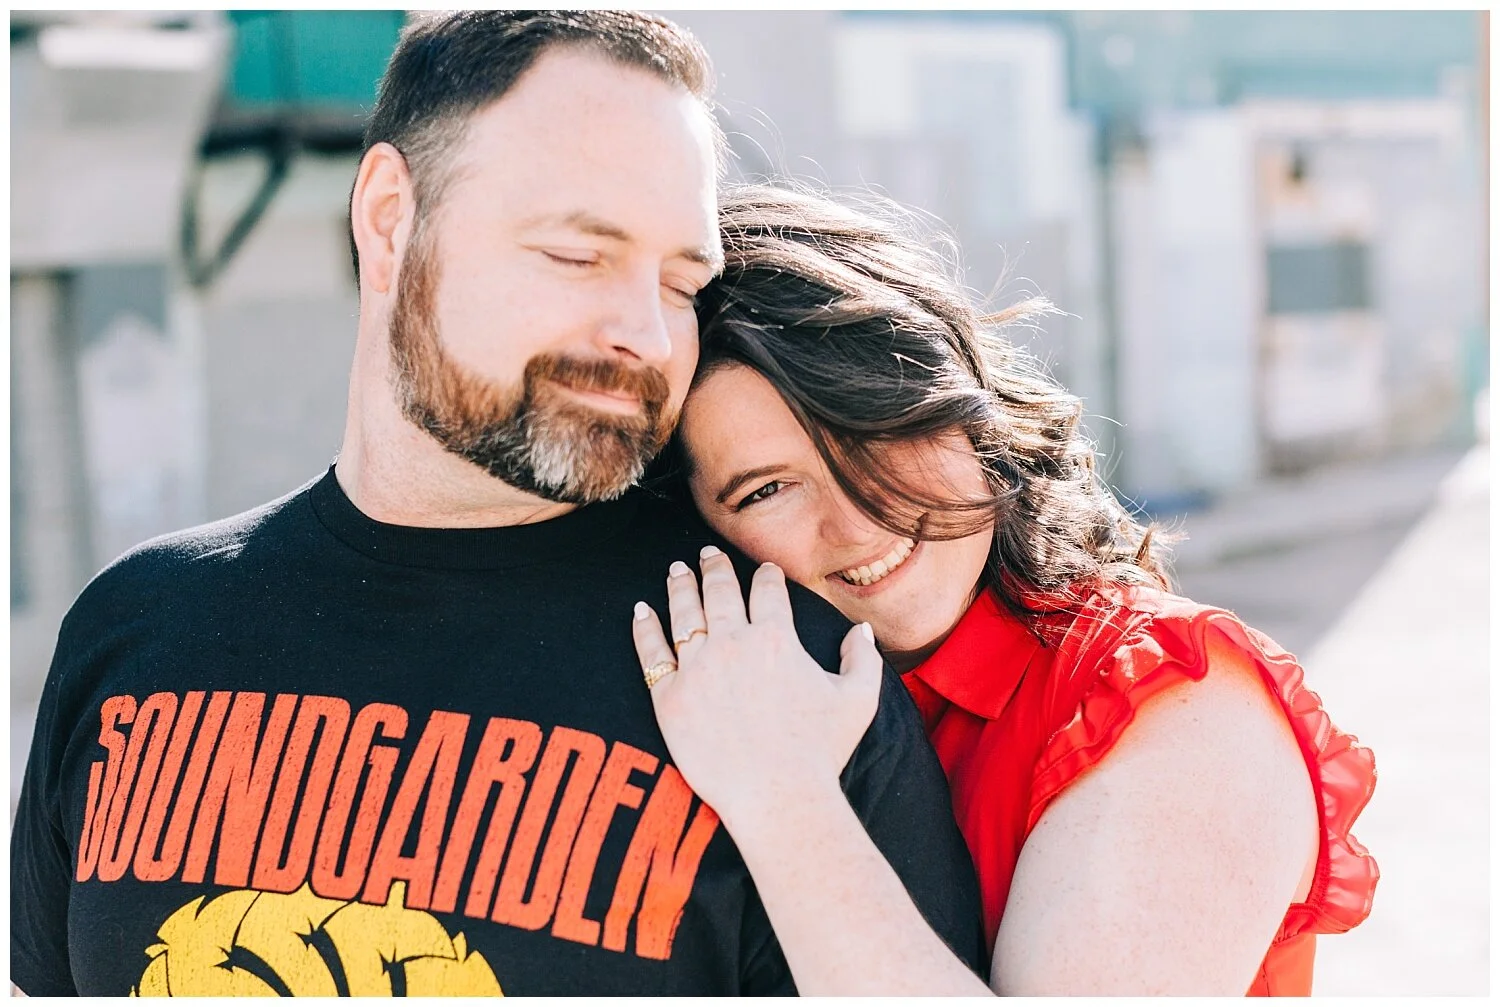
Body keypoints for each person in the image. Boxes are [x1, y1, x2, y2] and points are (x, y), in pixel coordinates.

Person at [9, 15, 986, 997]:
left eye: (681, 282)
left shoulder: (787, 682)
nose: (648, 335)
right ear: (390, 218)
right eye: (577, 255)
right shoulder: (133, 631)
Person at [630, 184, 1380, 996]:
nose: (858, 518)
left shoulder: (1173, 702)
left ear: (959, 399)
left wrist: (785, 800)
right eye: (768, 489)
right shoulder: (726, 693)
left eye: (872, 425)